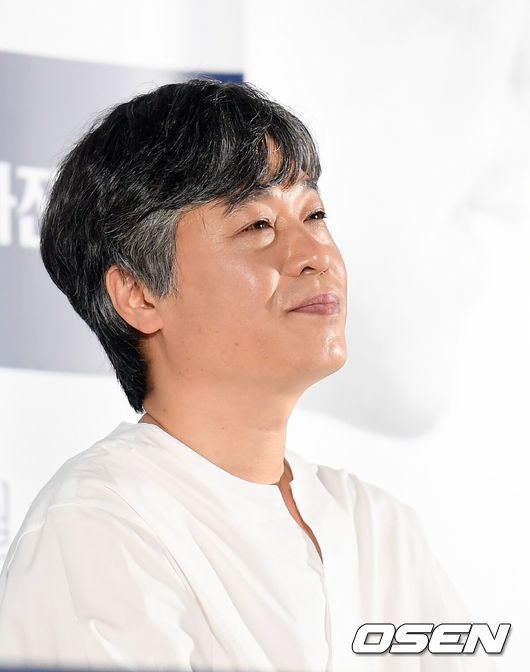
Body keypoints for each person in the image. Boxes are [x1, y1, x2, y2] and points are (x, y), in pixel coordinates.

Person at [0, 79, 497, 671]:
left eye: (315, 214)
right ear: (139, 293)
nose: (316, 254)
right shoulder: (97, 527)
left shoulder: (378, 528)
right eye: (258, 226)